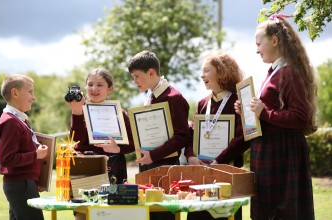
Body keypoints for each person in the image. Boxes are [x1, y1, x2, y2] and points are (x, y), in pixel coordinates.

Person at [234, 14, 317, 219]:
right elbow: (267, 114)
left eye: (258, 43)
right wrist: (247, 111)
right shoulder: (273, 72)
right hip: (270, 152)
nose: (256, 49)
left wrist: (264, 112)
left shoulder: (289, 72)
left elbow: (301, 117)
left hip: (283, 154)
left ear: (274, 41)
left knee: (282, 214)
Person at [184, 51, 249, 220]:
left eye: (206, 70)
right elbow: (190, 134)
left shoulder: (237, 101)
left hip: (227, 175)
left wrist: (219, 161)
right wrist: (190, 156)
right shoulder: (202, 103)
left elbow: (242, 138)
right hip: (201, 173)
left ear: (221, 72)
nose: (201, 75)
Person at [128, 50, 191, 220]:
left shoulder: (173, 97)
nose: (134, 82)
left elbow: (183, 136)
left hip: (165, 167)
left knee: (163, 216)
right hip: (147, 165)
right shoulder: (149, 96)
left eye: (136, 76)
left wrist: (153, 155)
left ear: (151, 72)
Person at [68, 67, 135, 185]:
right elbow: (76, 140)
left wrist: (118, 149)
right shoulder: (79, 110)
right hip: (85, 167)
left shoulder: (120, 113)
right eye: (90, 84)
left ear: (110, 89)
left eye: (100, 85)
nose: (94, 88)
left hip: (113, 167)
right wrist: (76, 112)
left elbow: (134, 142)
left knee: (112, 202)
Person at [0, 74, 48, 220]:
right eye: (30, 92)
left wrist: (34, 180)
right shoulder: (10, 121)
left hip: (24, 183)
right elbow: (7, 159)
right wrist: (36, 155)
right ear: (15, 93)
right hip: (21, 185)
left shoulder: (17, 119)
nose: (34, 97)